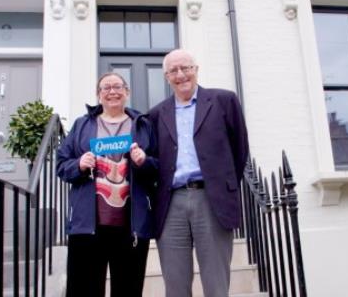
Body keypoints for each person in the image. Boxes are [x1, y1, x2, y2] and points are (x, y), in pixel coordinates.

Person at [148, 49, 249, 297]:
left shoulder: (224, 101)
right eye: (173, 71)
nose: (181, 75)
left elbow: (240, 149)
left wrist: (221, 185)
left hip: (211, 198)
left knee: (216, 283)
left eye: (186, 68)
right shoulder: (155, 114)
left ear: (196, 69)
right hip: (171, 202)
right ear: (166, 77)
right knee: (175, 285)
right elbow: (153, 160)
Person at [56, 72, 157, 297]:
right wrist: (79, 164)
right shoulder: (82, 125)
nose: (112, 91)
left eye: (118, 87)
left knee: (128, 290)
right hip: (88, 225)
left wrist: (144, 161)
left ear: (127, 92)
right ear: (98, 95)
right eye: (106, 88)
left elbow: (159, 167)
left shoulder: (142, 125)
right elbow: (61, 165)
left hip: (130, 226)